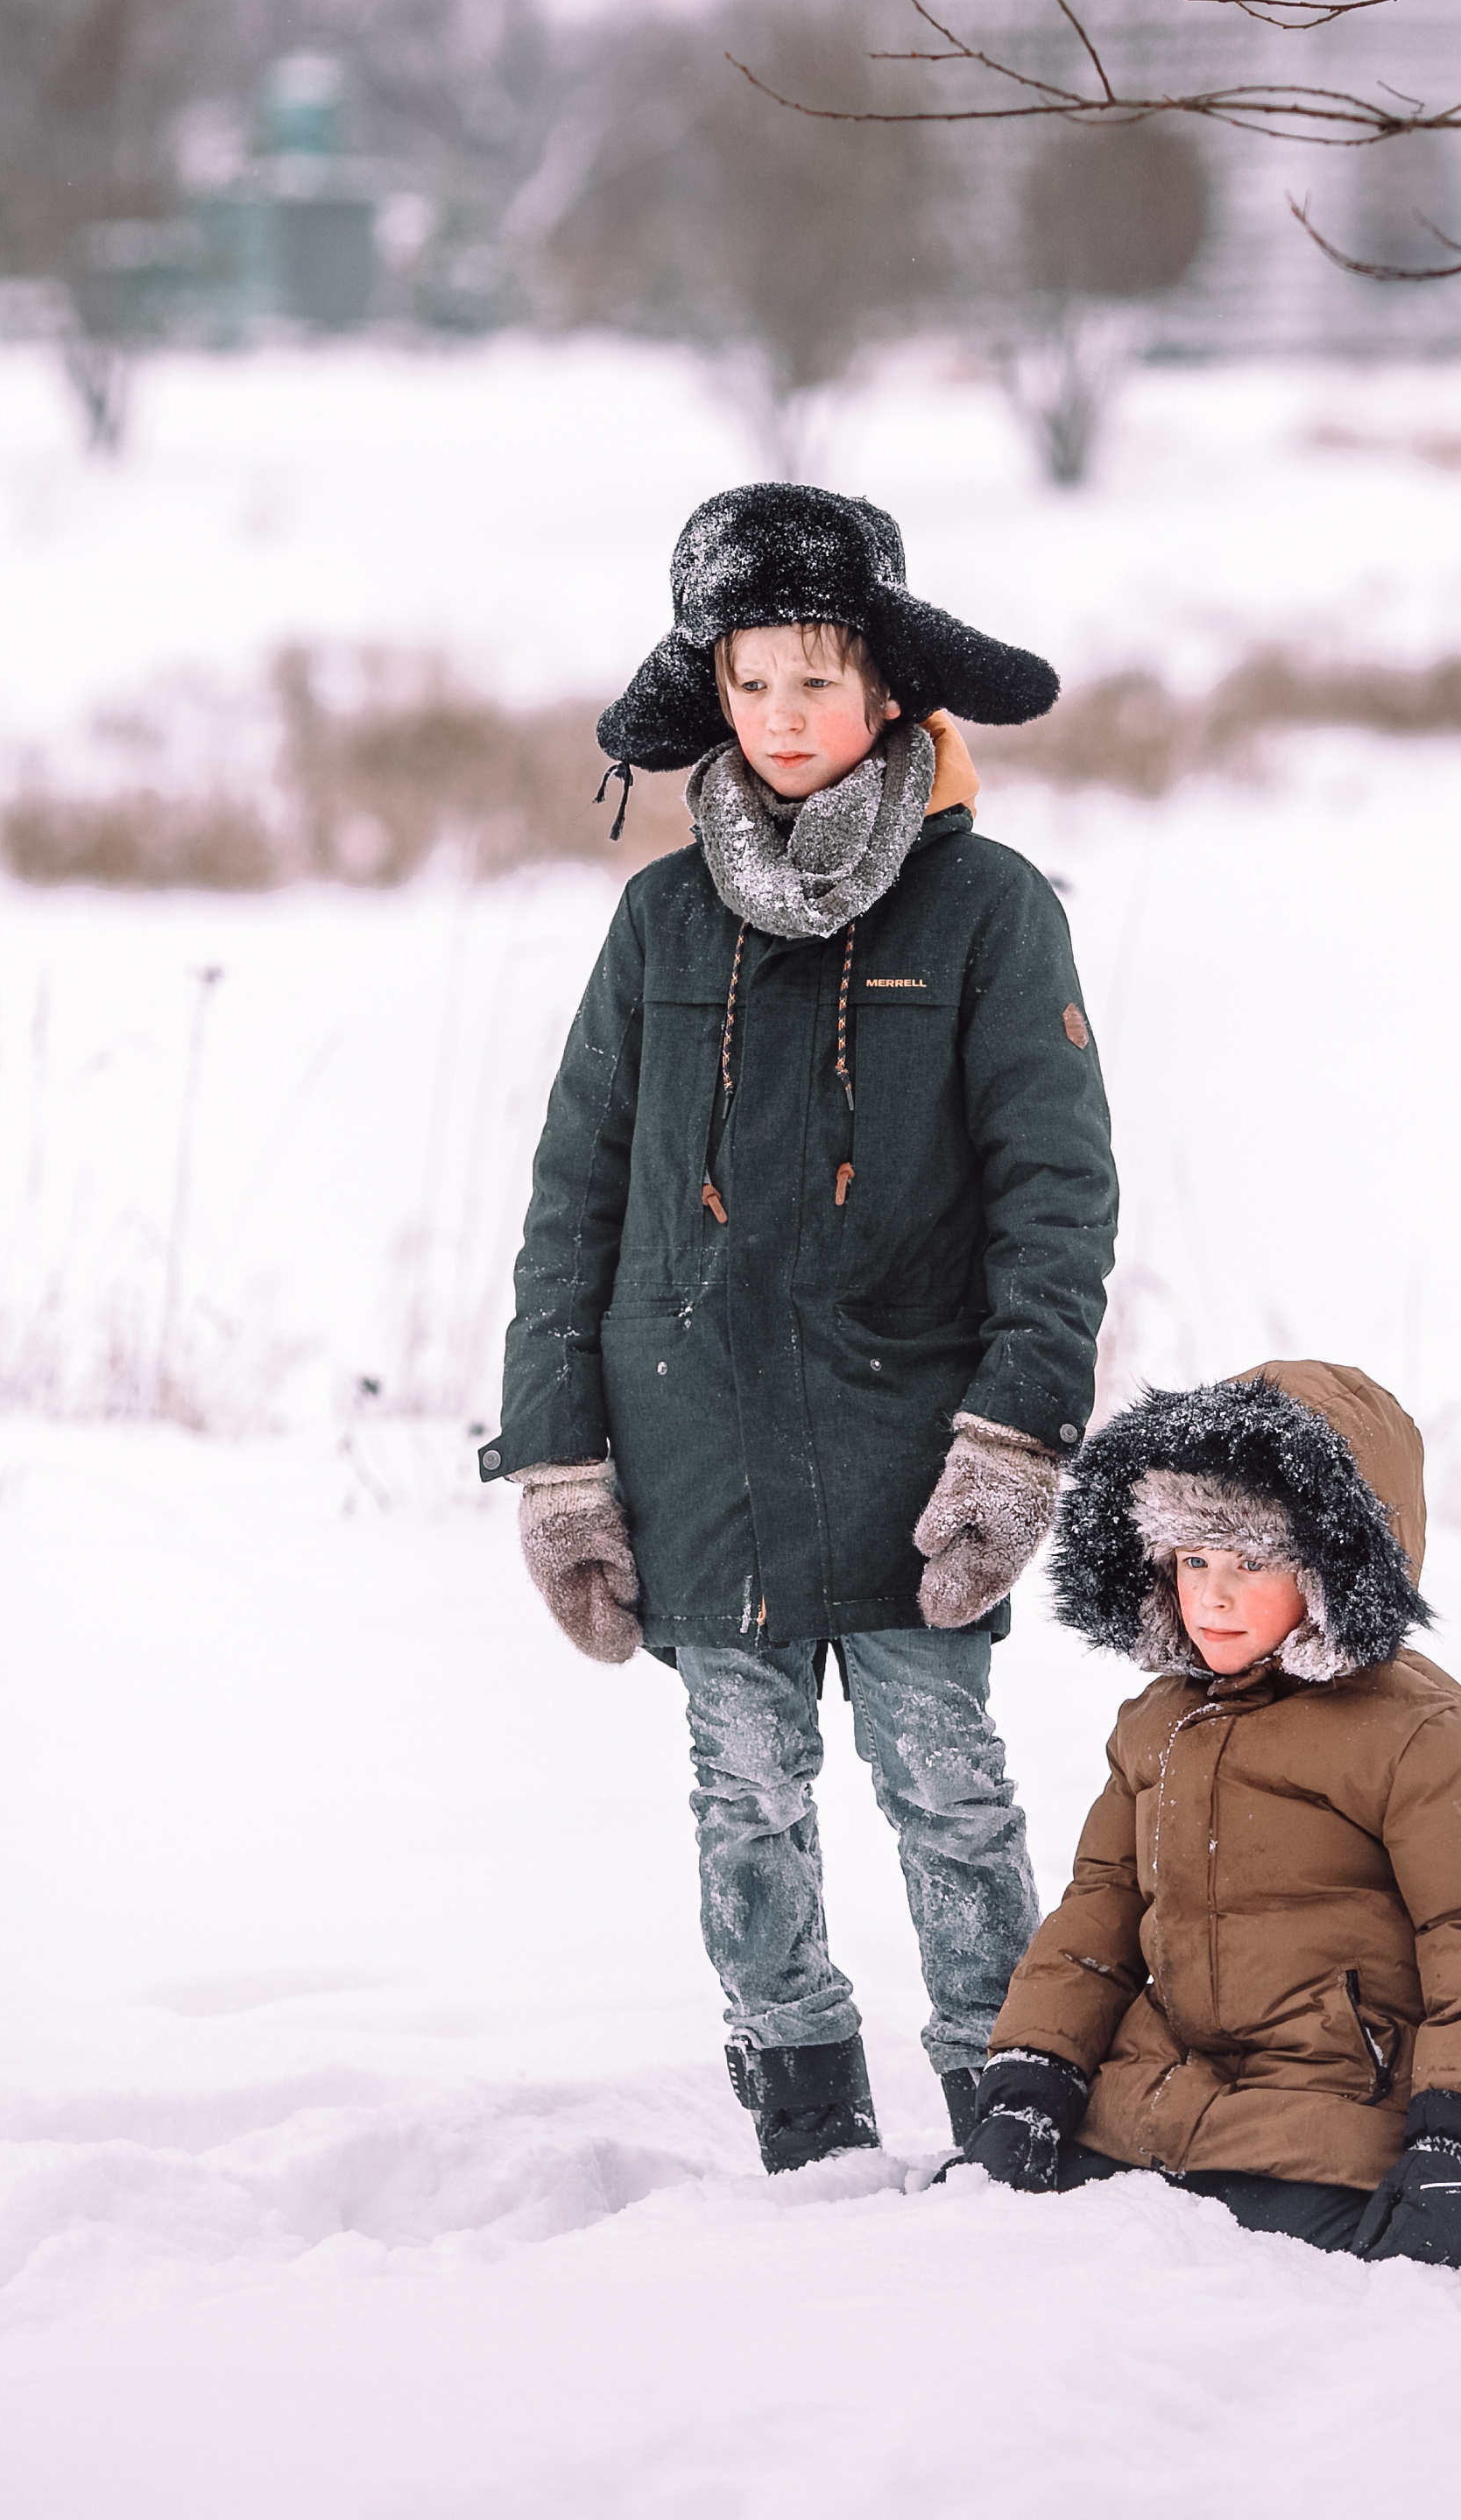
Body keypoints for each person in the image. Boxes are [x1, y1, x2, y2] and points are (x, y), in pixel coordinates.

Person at [477, 484, 1119, 2172]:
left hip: (916, 1446)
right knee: (742, 1792)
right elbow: (573, 1202)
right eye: (752, 685)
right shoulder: (659, 924)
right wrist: (556, 1458)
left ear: (891, 691)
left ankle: (1015, 2095)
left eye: (816, 685)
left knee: (948, 1784)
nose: (781, 722)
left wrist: (1015, 1438)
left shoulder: (992, 914)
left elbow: (1059, 1198)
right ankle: (805, 2107)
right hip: (700, 1453)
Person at [949, 1360, 1461, 2263]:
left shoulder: (1421, 1735)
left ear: (1334, 1563)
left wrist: (1454, 2130)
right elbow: (1099, 1913)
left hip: (1338, 2098)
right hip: (1163, 2093)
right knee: (1035, 2205)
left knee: (1335, 2234)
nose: (1209, 1594)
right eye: (1192, 1559)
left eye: (1251, 1561)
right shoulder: (1157, 1725)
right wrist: (1034, 2074)